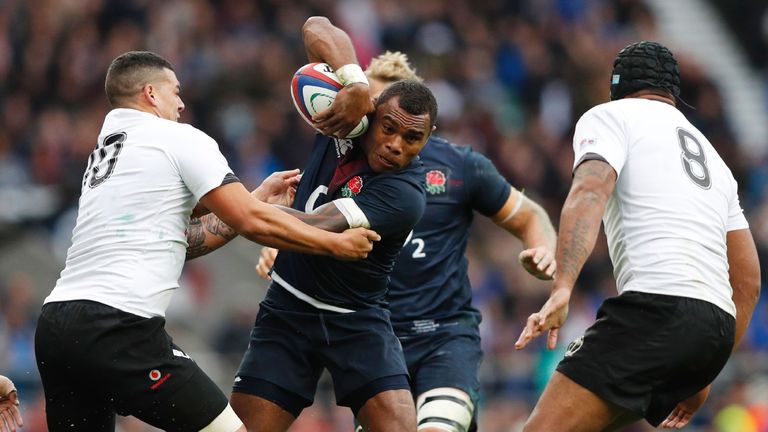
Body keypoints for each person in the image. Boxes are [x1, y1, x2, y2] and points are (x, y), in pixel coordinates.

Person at [34, 51, 379, 432]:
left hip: (56, 326)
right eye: (175, 91)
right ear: (151, 93)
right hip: (118, 324)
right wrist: (333, 244)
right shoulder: (178, 138)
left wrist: (255, 196)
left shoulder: (108, 155)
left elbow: (191, 238)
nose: (181, 103)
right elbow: (249, 221)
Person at [258, 45, 558, 431]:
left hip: (443, 335)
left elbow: (531, 215)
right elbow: (311, 221)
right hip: (376, 337)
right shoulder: (341, 152)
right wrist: (279, 242)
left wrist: (543, 250)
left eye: (379, 111)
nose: (367, 123)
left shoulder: (460, 167)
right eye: (369, 111)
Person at [514, 41, 761, 431]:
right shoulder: (714, 158)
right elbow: (747, 280)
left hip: (655, 311)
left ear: (616, 89)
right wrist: (706, 372)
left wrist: (562, 287)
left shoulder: (610, 116)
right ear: (674, 96)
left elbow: (590, 190)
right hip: (713, 330)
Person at [226, 20, 439, 431]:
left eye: (412, 139)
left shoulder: (406, 193)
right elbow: (315, 27)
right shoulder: (345, 115)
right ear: (373, 114)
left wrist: (238, 208)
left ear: (428, 140)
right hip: (288, 309)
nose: (395, 144)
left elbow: (315, 226)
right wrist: (355, 84)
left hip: (356, 320)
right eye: (389, 128)